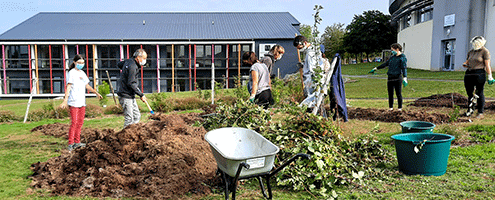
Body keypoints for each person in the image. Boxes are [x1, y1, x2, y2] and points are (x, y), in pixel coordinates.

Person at [60, 54, 102, 151]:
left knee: (80, 123)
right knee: (74, 122)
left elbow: (87, 85)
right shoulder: (71, 73)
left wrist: (96, 92)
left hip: (82, 101)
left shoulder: (82, 73)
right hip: (74, 101)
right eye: (79, 63)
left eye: (82, 63)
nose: (81, 64)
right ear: (74, 62)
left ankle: (77, 142)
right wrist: (65, 100)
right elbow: (69, 87)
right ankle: (71, 143)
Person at [369, 43, 408, 111]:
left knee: (398, 94)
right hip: (390, 78)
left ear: (397, 49)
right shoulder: (392, 58)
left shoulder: (402, 58)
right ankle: (391, 108)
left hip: (397, 78)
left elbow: (404, 68)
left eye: (393, 50)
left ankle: (399, 108)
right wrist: (376, 68)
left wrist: (405, 77)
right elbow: (385, 64)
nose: (392, 51)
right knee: (390, 94)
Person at [462, 36, 493, 118]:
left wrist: (490, 76)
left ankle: (480, 112)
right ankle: (469, 111)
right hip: (469, 73)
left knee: (479, 93)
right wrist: (465, 63)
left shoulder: (485, 51)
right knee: (470, 94)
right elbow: (468, 61)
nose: (475, 45)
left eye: (477, 43)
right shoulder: (471, 52)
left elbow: (487, 65)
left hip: (479, 74)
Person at [117, 49, 148, 128]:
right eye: (144, 59)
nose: (145, 61)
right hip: (125, 95)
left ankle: (133, 132)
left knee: (136, 116)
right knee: (129, 118)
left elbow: (119, 64)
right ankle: (125, 136)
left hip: (130, 94)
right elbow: (131, 83)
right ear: (138, 58)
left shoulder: (129, 61)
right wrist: (141, 94)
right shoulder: (132, 67)